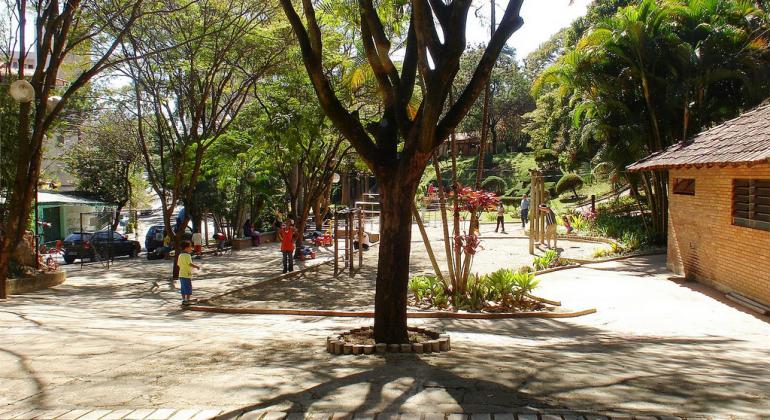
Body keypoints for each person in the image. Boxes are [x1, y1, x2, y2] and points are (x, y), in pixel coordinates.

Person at [177, 240, 200, 306]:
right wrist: (196, 266)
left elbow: (178, 264)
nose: (191, 248)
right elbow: (190, 264)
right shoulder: (188, 256)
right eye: (190, 247)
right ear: (186, 248)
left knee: (183, 287)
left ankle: (184, 299)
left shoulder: (180, 255)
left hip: (181, 274)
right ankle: (188, 300)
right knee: (188, 287)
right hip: (186, 274)